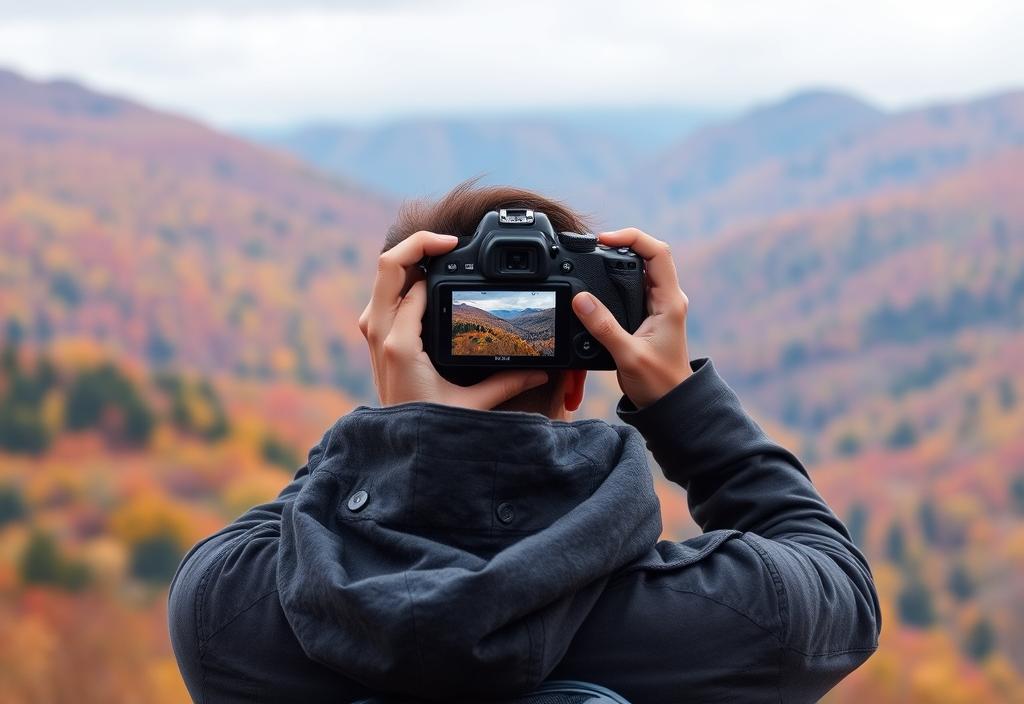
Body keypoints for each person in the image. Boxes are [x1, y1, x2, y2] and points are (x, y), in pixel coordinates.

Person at [168, 183, 880, 703]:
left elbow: (291, 521)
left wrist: (400, 427)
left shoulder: (232, 616)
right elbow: (837, 577)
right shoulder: (728, 618)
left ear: (392, 353)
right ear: (577, 382)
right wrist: (676, 400)